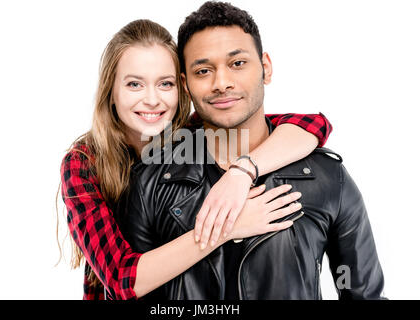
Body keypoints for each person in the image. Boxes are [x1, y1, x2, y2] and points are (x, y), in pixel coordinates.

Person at [122, 2, 385, 300]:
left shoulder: (327, 179)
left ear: (266, 68)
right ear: (185, 84)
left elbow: (361, 293)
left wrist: (242, 171)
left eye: (237, 63)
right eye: (203, 70)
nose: (221, 83)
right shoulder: (150, 181)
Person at [59, 19, 333, 300]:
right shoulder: (84, 163)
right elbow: (121, 279)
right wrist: (226, 228)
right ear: (111, 92)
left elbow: (312, 125)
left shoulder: (194, 133)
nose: (152, 100)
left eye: (164, 84)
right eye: (134, 84)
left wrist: (242, 171)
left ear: (182, 87)